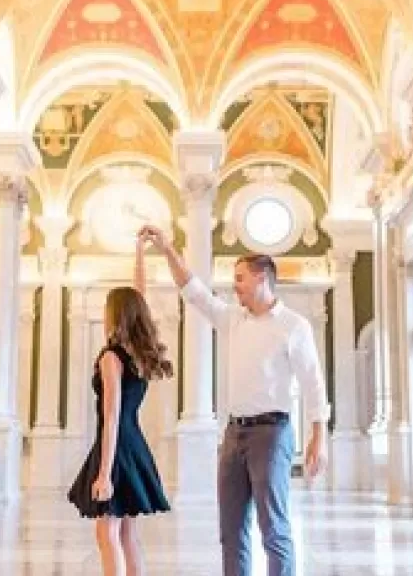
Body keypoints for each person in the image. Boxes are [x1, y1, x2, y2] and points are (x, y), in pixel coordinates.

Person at [138, 224, 329, 576]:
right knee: (231, 532)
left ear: (261, 279)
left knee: (274, 530)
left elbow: (313, 382)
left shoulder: (293, 325)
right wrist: (167, 249)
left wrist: (319, 437)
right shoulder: (232, 319)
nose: (233, 285)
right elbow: (193, 290)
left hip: (271, 435)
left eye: (239, 278)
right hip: (233, 435)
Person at [68, 236, 173, 576]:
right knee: (127, 533)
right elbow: (139, 297)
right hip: (134, 443)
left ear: (115, 315)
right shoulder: (137, 356)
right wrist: (141, 253)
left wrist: (103, 473)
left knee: (107, 531)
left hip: (116, 447)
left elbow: (110, 417)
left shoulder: (112, 358)